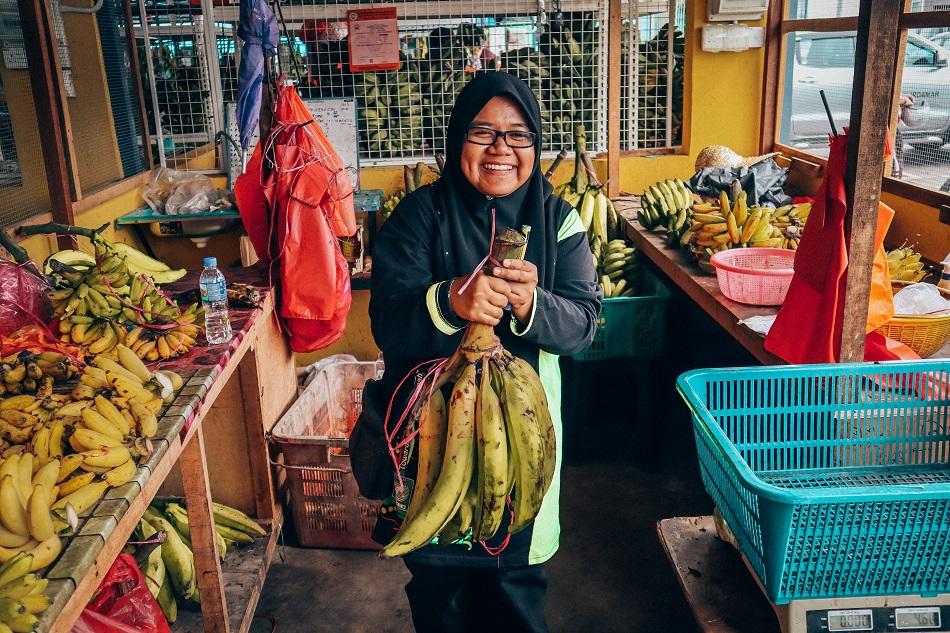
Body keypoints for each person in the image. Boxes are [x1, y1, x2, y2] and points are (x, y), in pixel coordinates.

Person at [367, 72, 601, 633]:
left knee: (515, 598)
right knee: (439, 598)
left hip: (516, 443)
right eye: (483, 133)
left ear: (535, 145)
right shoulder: (417, 216)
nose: (501, 149)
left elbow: (583, 327)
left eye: (518, 135)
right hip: (430, 442)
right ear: (457, 139)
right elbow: (388, 323)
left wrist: (532, 304)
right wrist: (450, 301)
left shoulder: (558, 220)